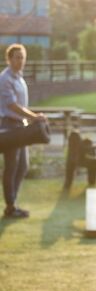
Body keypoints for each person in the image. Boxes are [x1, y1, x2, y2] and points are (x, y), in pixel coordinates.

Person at [0, 44, 47, 218]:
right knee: (11, 166)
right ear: (9, 59)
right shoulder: (5, 79)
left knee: (23, 166)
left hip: (21, 126)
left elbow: (22, 106)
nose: (21, 60)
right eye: (17, 57)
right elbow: (12, 105)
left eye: (23, 57)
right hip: (9, 126)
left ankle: (13, 202)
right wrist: (35, 116)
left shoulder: (19, 78)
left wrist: (33, 116)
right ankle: (10, 206)